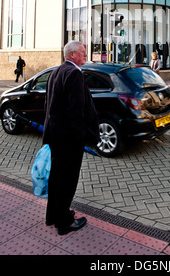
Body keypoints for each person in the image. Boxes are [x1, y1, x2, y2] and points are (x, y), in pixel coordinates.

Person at [43, 41, 100, 235]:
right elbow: (76, 112)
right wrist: (81, 138)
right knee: (67, 181)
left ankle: (53, 215)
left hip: (56, 137)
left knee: (57, 178)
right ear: (72, 54)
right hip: (69, 140)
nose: (85, 55)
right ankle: (64, 222)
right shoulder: (74, 74)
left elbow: (50, 106)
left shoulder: (56, 72)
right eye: (83, 53)